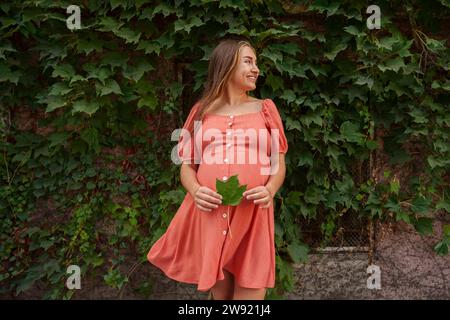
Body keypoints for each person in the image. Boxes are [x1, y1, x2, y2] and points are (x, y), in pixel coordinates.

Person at [147, 38, 288, 300]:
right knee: (220, 297)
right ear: (227, 65)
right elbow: (187, 166)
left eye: (256, 62)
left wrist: (270, 189)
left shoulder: (265, 109)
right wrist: (196, 190)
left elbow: (278, 162)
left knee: (250, 293)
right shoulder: (201, 112)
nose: (256, 68)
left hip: (252, 213)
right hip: (211, 214)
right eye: (248, 61)